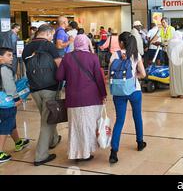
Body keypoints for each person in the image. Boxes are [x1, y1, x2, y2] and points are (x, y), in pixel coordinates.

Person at [56, 35, 107, 162]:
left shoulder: (67, 57)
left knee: (75, 126)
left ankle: (76, 152)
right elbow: (99, 78)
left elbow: (59, 76)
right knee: (88, 126)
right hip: (91, 97)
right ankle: (86, 152)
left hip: (73, 99)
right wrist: (103, 94)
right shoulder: (92, 57)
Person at [22, 24, 62, 166]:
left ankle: (53, 139)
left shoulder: (27, 47)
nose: (52, 37)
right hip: (50, 88)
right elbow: (60, 66)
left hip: (34, 89)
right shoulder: (49, 46)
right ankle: (41, 155)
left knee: (47, 116)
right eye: (52, 35)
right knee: (47, 121)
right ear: (48, 33)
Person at [109, 32, 147, 164]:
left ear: (121, 43)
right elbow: (143, 74)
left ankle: (114, 152)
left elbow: (110, 74)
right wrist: (134, 76)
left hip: (119, 92)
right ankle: (140, 142)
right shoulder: (136, 55)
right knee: (137, 116)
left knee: (119, 120)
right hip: (134, 90)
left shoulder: (115, 55)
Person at [0, 47, 30, 163]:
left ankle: (18, 142)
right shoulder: (4, 68)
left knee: (11, 123)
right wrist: (16, 99)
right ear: (0, 57)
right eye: (8, 55)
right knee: (5, 126)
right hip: (6, 102)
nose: (12, 57)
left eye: (12, 55)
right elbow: (10, 86)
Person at [168, 31, 183, 98]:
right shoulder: (182, 43)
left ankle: (174, 93)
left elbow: (168, 53)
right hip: (181, 63)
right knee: (182, 76)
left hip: (173, 63)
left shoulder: (170, 43)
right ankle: (182, 93)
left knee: (174, 77)